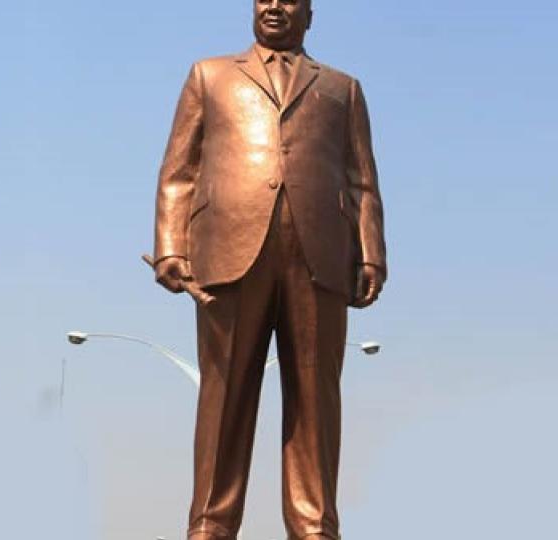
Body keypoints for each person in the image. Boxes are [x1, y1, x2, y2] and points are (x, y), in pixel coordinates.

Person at [152, 0, 386, 538]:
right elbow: (178, 170)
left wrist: (370, 251)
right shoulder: (209, 76)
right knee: (223, 398)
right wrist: (170, 245)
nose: (274, 7)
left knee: (316, 404)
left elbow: (362, 180)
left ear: (310, 14)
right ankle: (209, 526)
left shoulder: (342, 89)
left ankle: (315, 528)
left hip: (320, 259)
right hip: (228, 256)